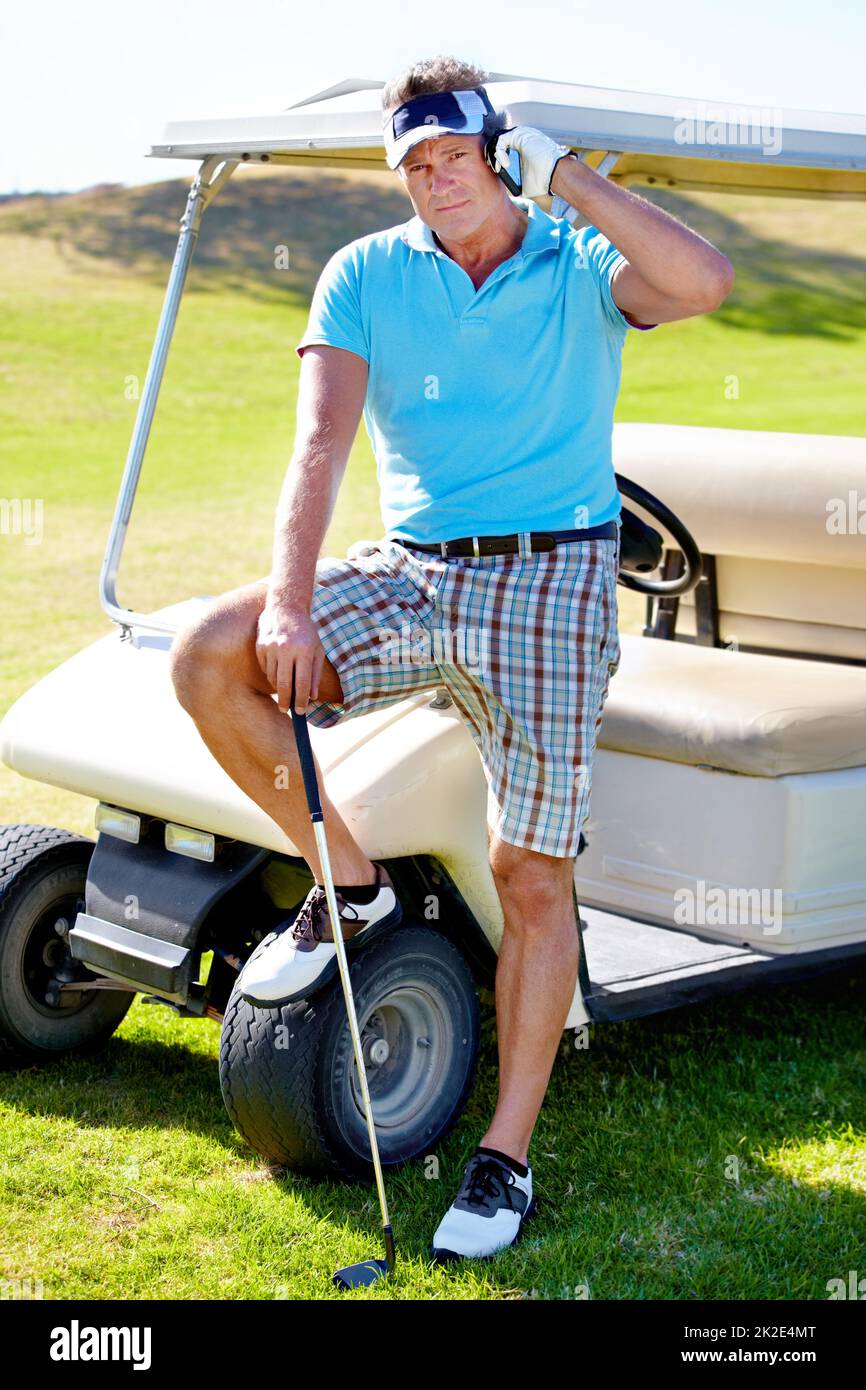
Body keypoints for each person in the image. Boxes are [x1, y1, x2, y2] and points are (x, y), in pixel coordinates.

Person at [169, 54, 734, 1263]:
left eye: (454, 157)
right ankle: (353, 885)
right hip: (417, 568)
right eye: (413, 165)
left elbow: (702, 280)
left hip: (553, 580)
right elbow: (317, 444)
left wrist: (568, 174)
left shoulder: (577, 261)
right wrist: (288, 603)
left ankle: (502, 1156)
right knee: (211, 656)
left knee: (528, 875)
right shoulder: (366, 273)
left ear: (495, 152)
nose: (434, 182)